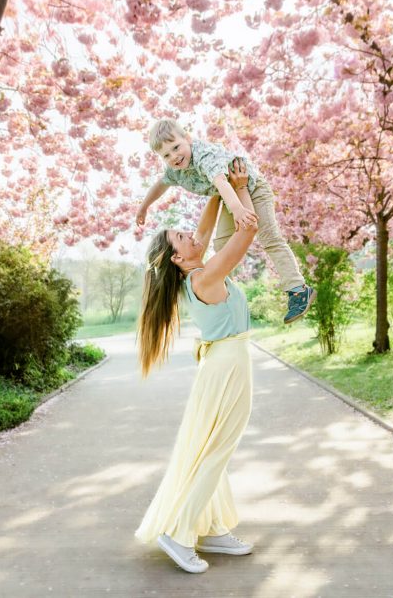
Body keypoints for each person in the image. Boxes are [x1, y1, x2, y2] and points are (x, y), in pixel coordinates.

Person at [134, 159, 259, 574]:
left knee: (213, 448)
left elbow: (206, 224)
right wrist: (239, 192)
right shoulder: (204, 278)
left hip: (223, 363)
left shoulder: (196, 271)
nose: (192, 235)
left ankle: (212, 527)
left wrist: (216, 184)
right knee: (219, 449)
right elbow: (248, 229)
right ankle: (181, 532)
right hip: (227, 365)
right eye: (183, 237)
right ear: (176, 257)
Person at [136, 118, 316, 325]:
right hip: (230, 197)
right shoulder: (174, 170)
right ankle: (223, 295)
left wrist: (238, 209)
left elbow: (221, 181)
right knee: (221, 245)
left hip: (253, 188)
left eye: (176, 147)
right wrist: (144, 206)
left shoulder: (203, 154)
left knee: (269, 238)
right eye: (166, 155)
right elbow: (161, 184)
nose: (174, 156)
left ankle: (298, 289)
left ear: (188, 138)